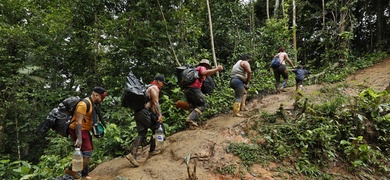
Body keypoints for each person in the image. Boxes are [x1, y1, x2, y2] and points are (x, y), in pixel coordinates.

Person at [65, 87, 107, 179]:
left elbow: (89, 120)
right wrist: (79, 138)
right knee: (86, 152)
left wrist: (94, 131)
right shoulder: (83, 104)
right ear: (96, 95)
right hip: (78, 130)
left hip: (85, 130)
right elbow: (78, 122)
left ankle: (83, 174)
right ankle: (71, 171)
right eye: (102, 98)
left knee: (86, 152)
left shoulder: (92, 104)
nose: (102, 101)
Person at [126, 75, 168, 167]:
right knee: (156, 127)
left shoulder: (147, 87)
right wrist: (159, 115)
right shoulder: (154, 88)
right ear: (158, 81)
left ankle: (132, 155)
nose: (162, 85)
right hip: (144, 113)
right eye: (162, 83)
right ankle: (153, 150)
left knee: (142, 133)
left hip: (138, 113)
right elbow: (156, 103)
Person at [183, 59, 223, 129]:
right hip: (194, 88)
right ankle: (191, 119)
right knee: (202, 105)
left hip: (187, 89)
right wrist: (216, 69)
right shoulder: (202, 67)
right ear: (206, 65)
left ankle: (191, 126)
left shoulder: (195, 70)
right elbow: (204, 73)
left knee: (193, 106)